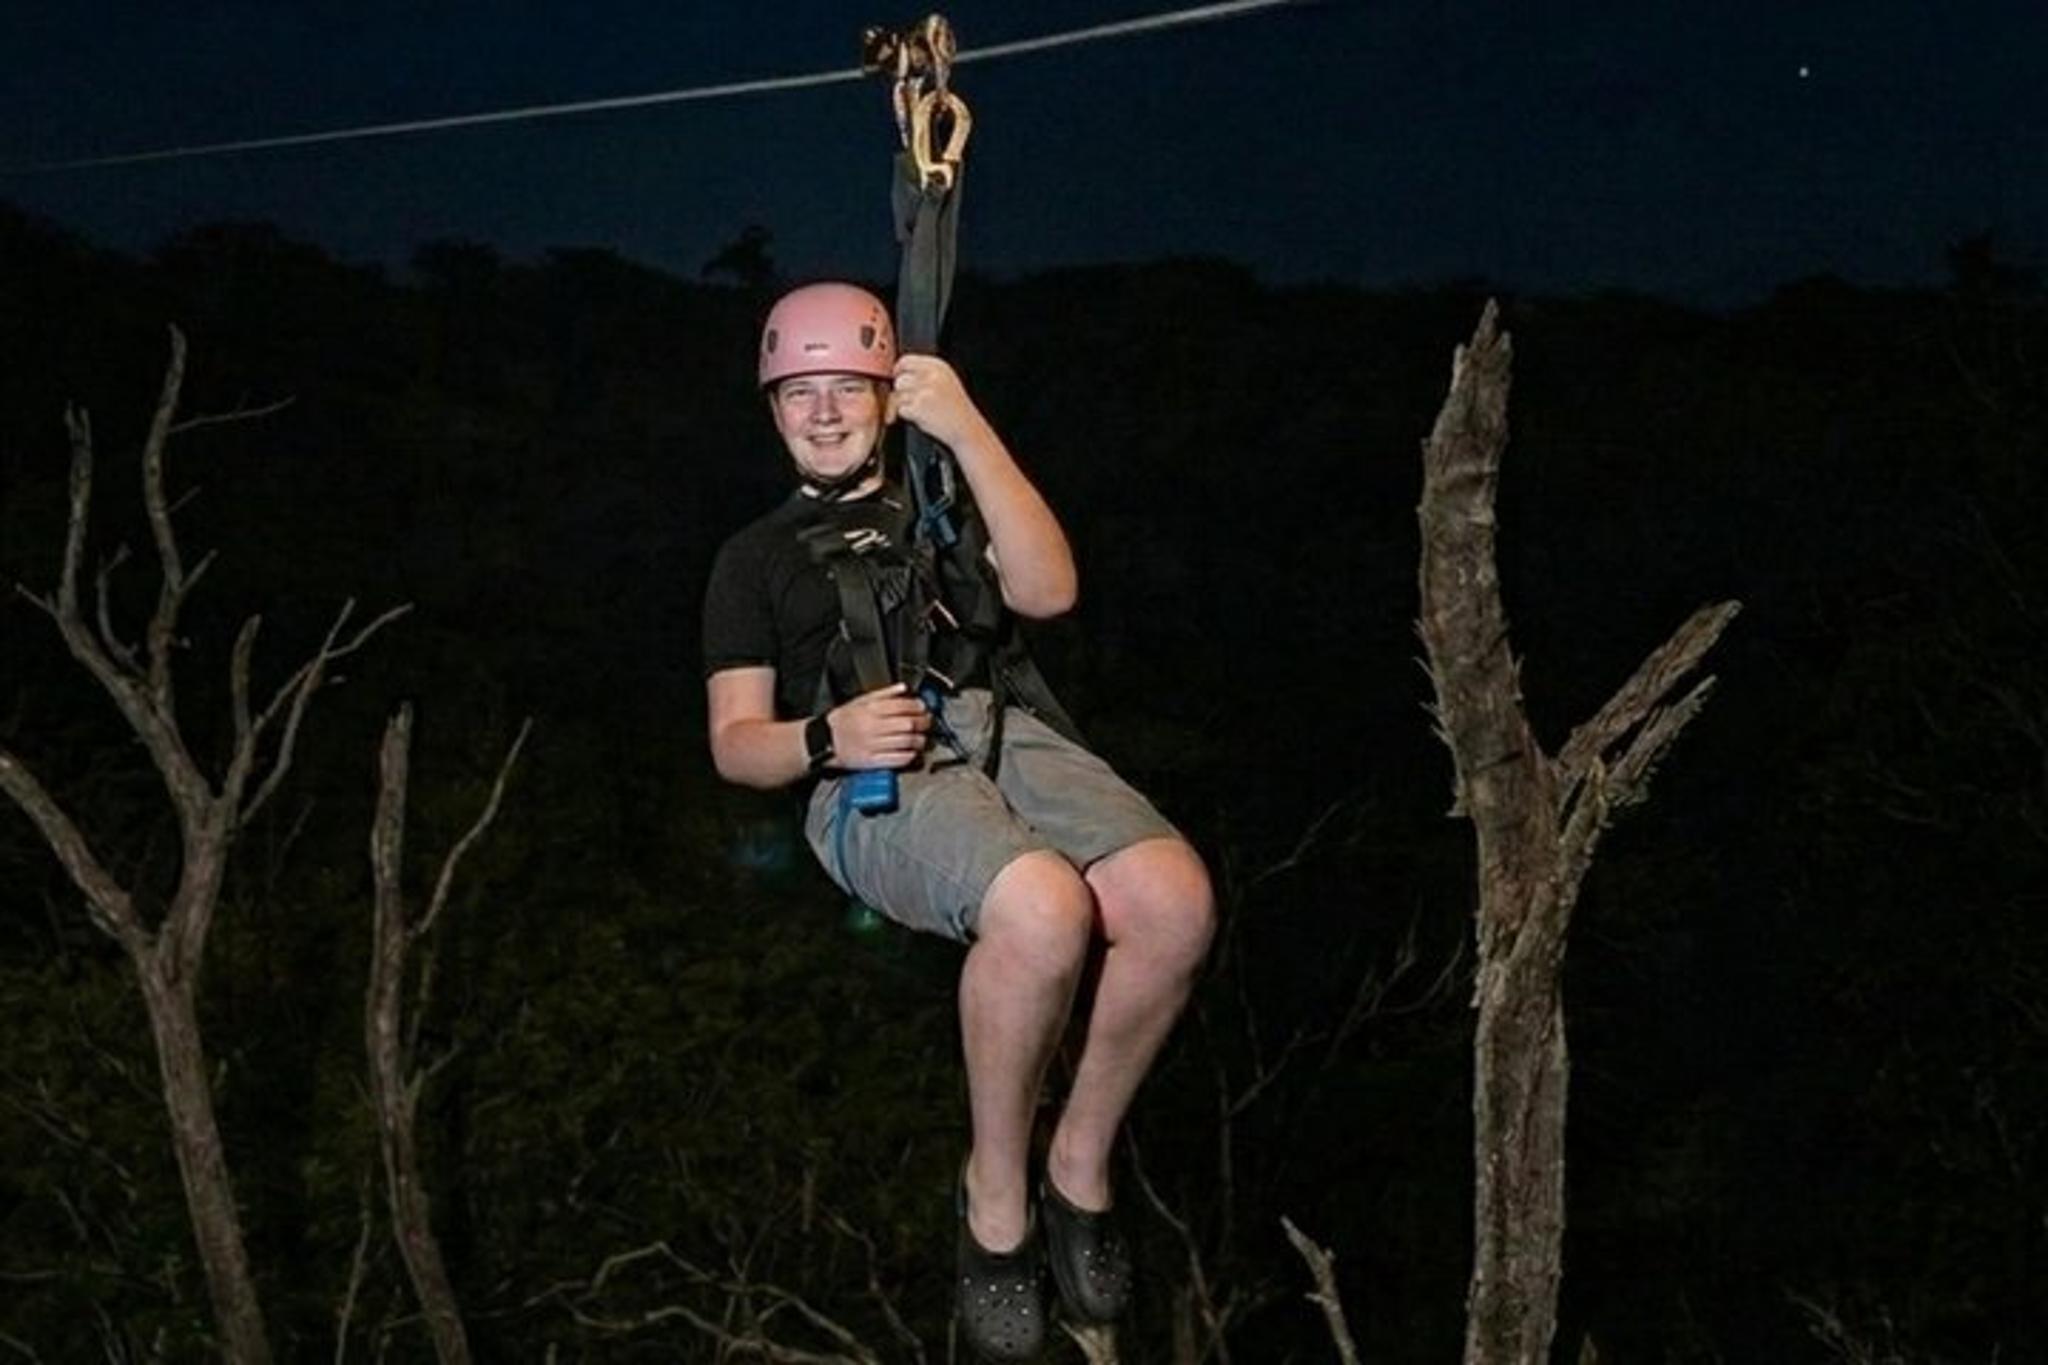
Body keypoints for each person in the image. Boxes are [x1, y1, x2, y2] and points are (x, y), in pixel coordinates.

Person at [701, 281, 1214, 1360]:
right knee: (1042, 909)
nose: (827, 412)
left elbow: (1047, 590)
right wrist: (824, 739)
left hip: (996, 728)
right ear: (772, 408)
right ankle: (994, 1202)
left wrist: (965, 425)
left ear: (888, 397)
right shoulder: (752, 561)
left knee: (1171, 901)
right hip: (866, 778)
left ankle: (1077, 1164)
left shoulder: (939, 494)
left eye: (849, 388)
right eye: (801, 394)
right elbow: (734, 742)